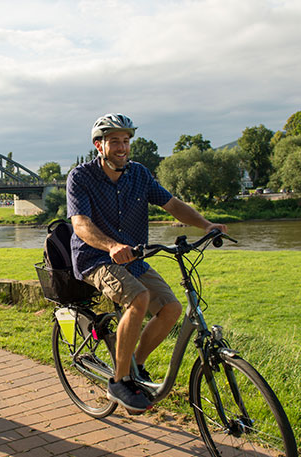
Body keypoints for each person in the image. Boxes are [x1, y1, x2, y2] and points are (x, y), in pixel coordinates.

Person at [66, 113, 227, 413]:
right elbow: (80, 224)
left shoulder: (138, 174)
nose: (122, 147)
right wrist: (112, 245)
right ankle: (119, 382)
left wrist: (205, 225)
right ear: (99, 146)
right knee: (139, 297)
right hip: (95, 258)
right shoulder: (81, 177)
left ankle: (134, 368)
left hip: (133, 257)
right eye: (114, 141)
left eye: (126, 141)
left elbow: (172, 204)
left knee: (172, 308)